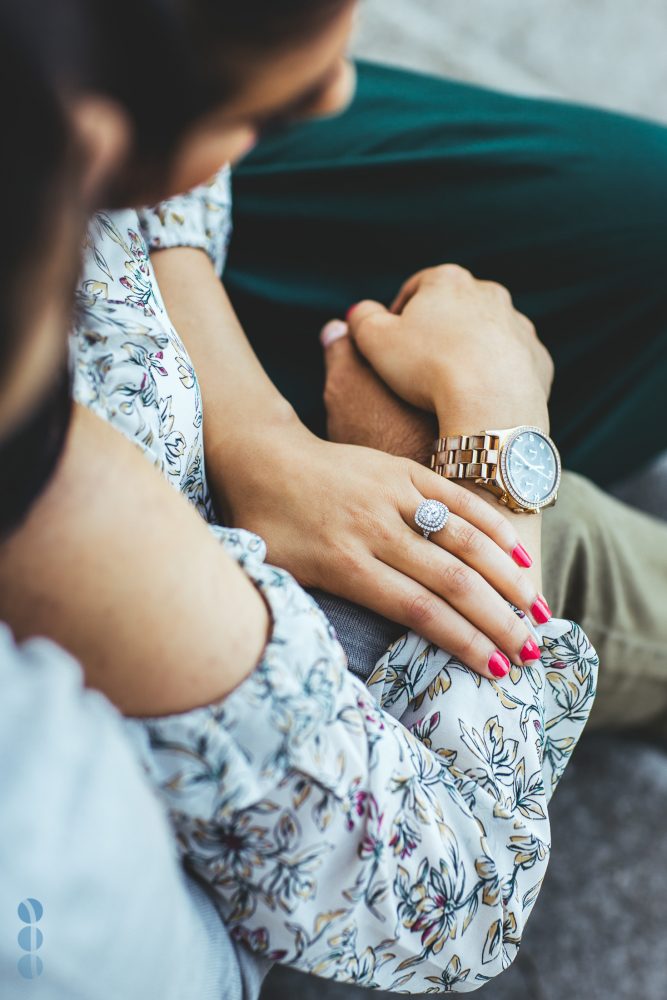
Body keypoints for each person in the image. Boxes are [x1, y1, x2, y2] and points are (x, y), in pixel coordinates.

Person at [0, 0, 598, 993]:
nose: (340, 90)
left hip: (274, 532)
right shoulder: (72, 511)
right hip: (299, 806)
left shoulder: (41, 116)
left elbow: (136, 171)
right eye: (261, 117)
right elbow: (461, 894)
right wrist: (497, 434)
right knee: (595, 566)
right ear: (85, 152)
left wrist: (255, 431)